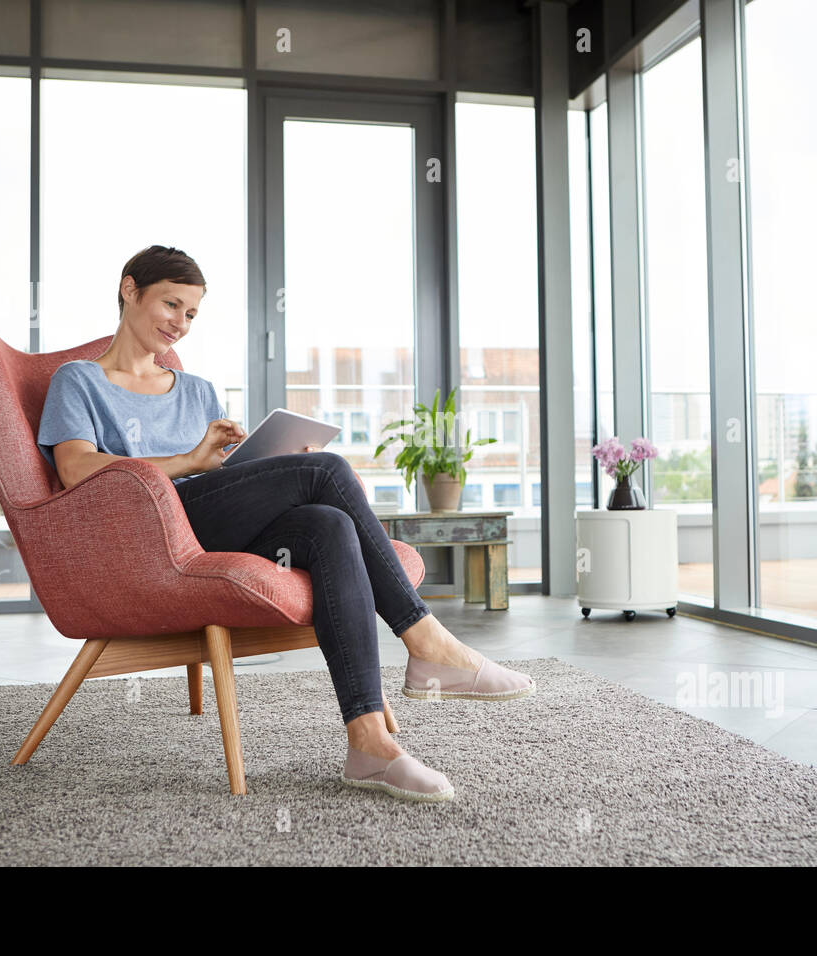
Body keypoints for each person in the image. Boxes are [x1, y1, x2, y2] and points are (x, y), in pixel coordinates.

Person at [36, 245, 535, 803]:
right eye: (171, 305)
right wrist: (190, 461)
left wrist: (266, 465)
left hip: (213, 524)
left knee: (328, 524)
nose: (180, 323)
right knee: (326, 471)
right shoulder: (78, 381)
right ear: (130, 290)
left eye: (192, 313)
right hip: (152, 535)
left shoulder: (197, 390)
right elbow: (75, 469)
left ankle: (370, 744)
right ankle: (428, 642)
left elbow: (221, 478)